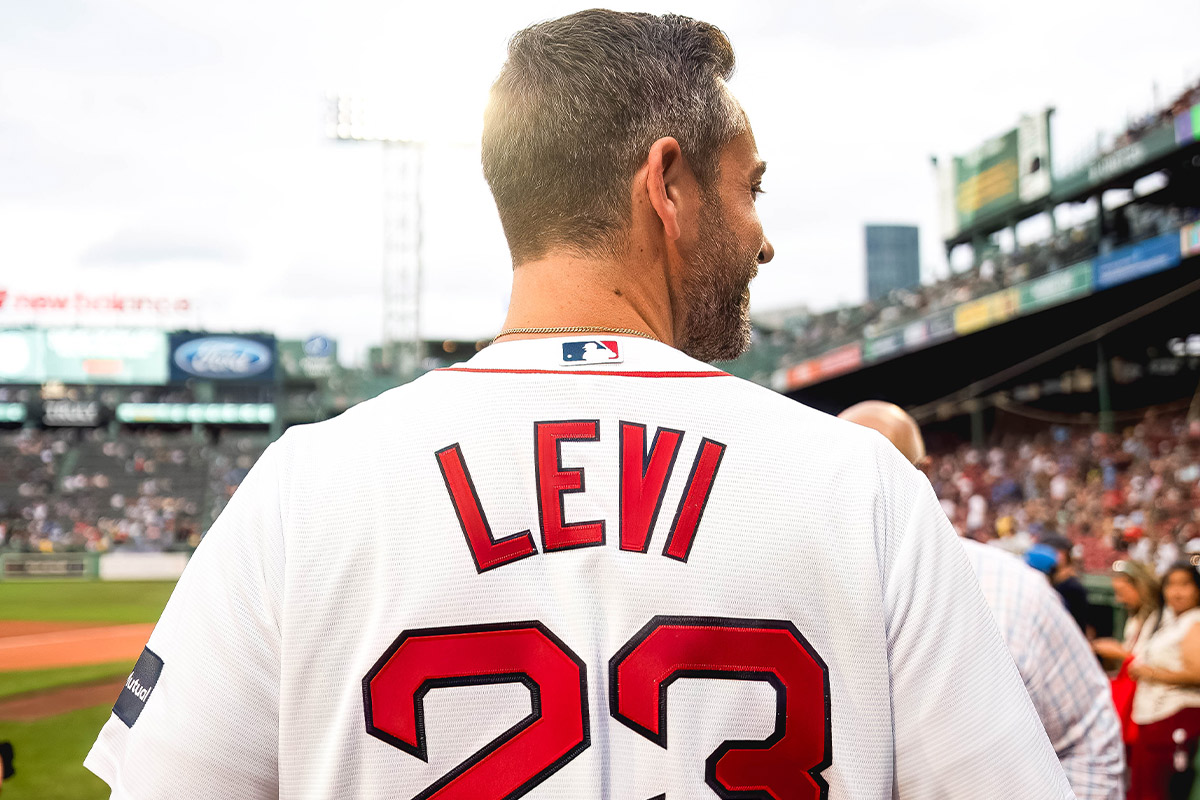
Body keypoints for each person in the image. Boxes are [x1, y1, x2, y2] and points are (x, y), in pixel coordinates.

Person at [85, 11, 1072, 798]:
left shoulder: (303, 490)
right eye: (751, 189)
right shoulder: (864, 489)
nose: (764, 240)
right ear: (669, 185)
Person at [840, 400, 1125, 800]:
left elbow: (1087, 737)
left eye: (886, 464)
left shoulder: (1014, 589)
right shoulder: (796, 589)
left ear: (922, 473)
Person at [1128, 561, 1200, 798]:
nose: (1177, 592)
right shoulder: (1170, 618)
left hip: (1176, 714)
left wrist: (1150, 673)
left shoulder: (1195, 621)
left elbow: (1197, 673)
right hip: (1154, 715)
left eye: (1185, 585)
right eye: (1171, 585)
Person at [1093, 559, 1163, 665]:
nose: (1118, 599)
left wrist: (1117, 651)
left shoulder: (1160, 617)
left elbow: (1149, 662)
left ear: (1141, 587)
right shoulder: (1134, 617)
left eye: (1121, 592)